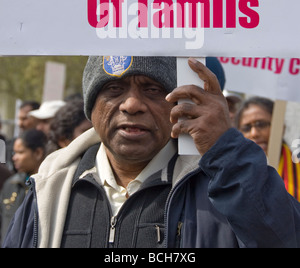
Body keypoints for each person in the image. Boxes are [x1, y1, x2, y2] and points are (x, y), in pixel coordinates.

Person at [3, 56, 300, 248]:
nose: (132, 105)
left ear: (181, 106)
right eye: (114, 90)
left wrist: (225, 149)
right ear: (91, 108)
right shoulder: (50, 189)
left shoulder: (221, 188)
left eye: (153, 90)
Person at [236, 96, 300, 201]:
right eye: (246, 128)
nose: (254, 133)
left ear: (281, 127)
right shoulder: (230, 175)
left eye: (261, 124)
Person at [0, 129, 47, 244]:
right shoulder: (11, 185)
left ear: (38, 153)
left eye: (20, 152)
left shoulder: (48, 187)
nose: (14, 158)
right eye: (14, 153)